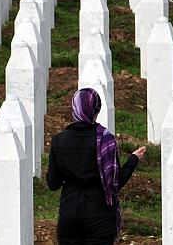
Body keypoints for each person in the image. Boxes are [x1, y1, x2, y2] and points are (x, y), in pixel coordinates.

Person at [46, 88, 147, 245]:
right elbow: (115, 183)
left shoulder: (59, 140)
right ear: (97, 111)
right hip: (101, 215)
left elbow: (53, 184)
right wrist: (133, 159)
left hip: (70, 214)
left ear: (74, 109)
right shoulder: (106, 141)